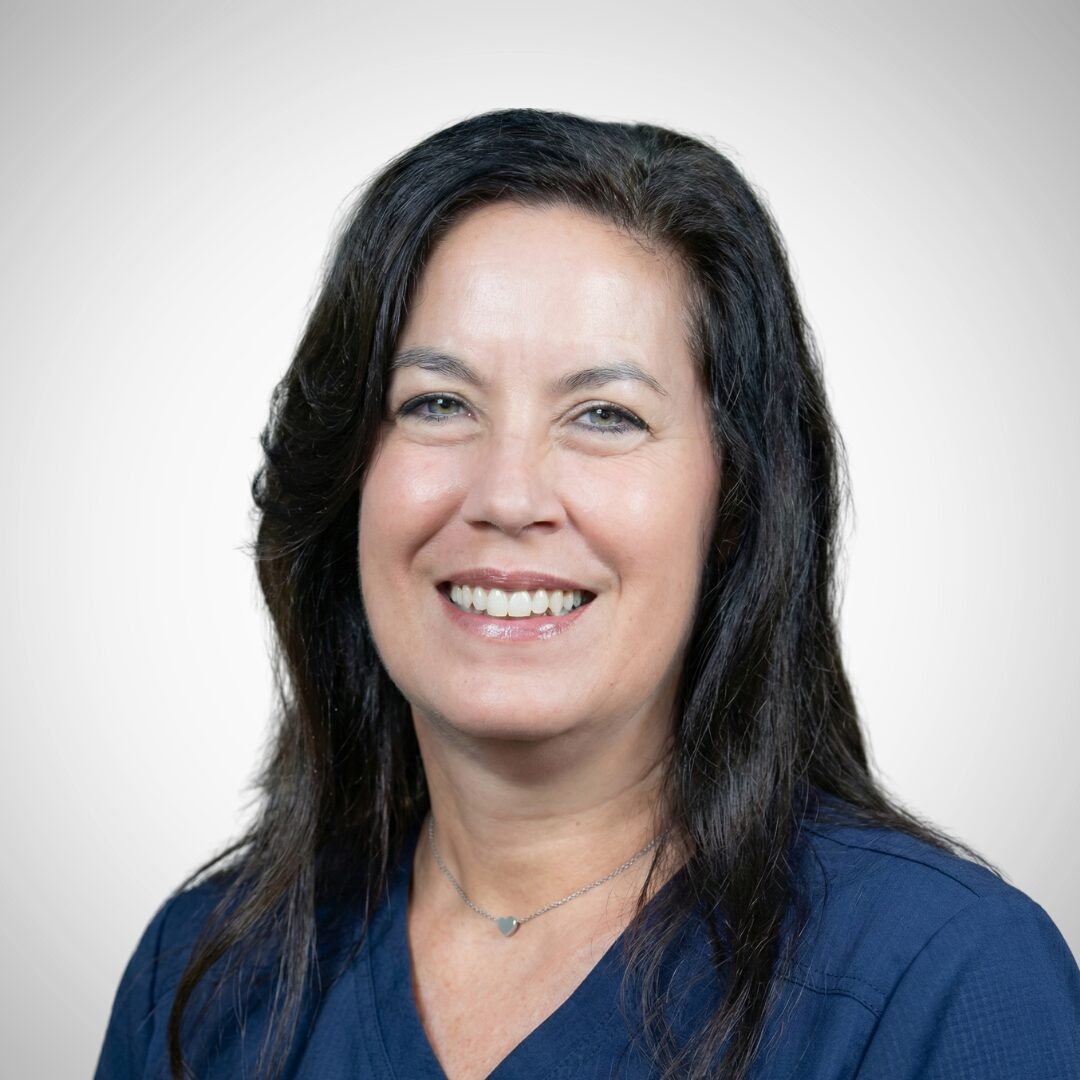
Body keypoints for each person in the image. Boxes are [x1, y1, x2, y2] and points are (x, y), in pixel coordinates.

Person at [94, 108, 1080, 1080]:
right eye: (438, 404)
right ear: (347, 474)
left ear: (734, 501)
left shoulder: (946, 983)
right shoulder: (202, 980)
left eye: (606, 415)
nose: (508, 495)